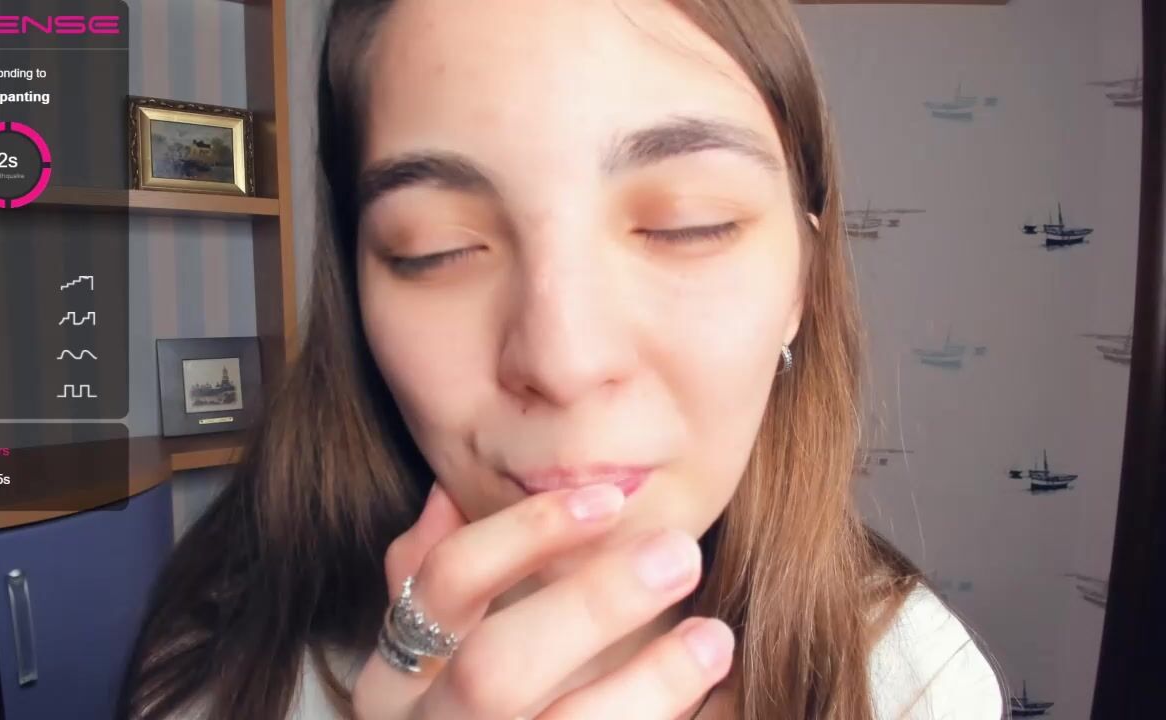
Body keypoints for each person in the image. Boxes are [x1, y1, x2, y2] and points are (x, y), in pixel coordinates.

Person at [118, 0, 1006, 718]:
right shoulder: (218, 680)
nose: (563, 360)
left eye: (688, 224)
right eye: (436, 248)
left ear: (802, 283)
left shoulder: (917, 682)